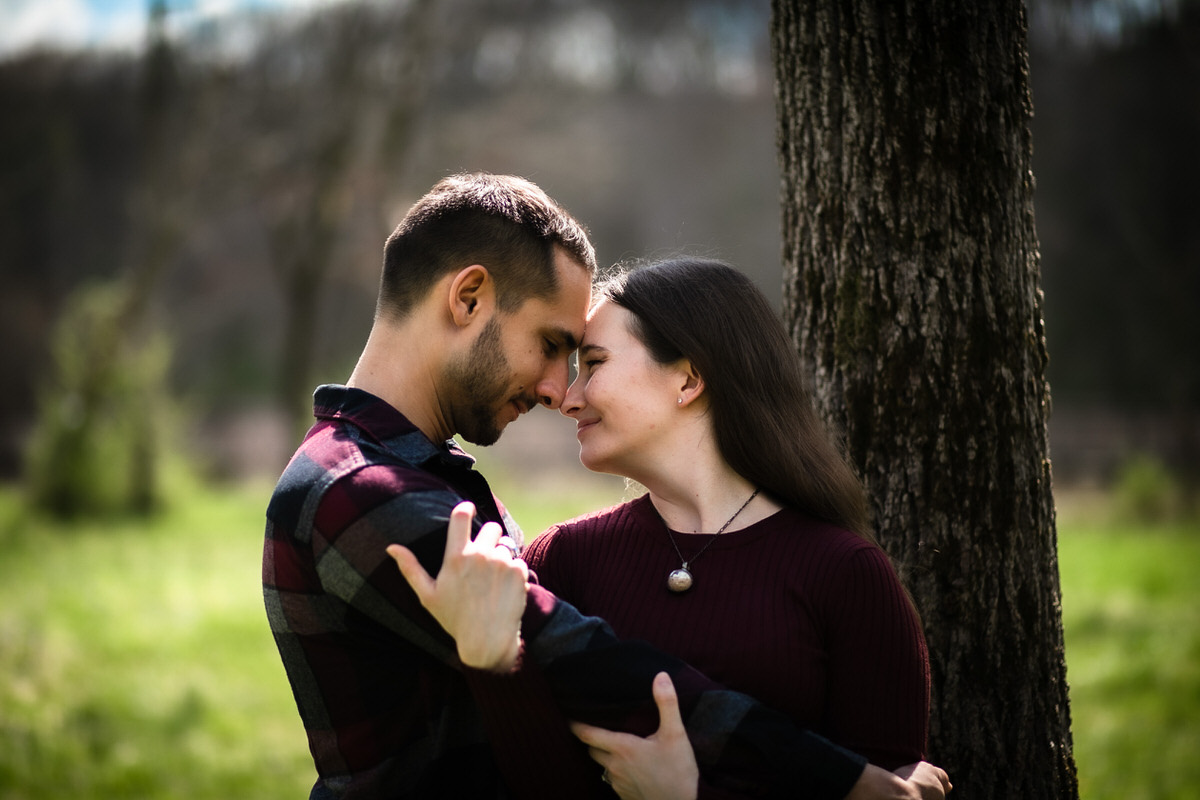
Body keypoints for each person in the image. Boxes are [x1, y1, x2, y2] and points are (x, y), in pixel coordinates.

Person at [264, 172, 949, 799]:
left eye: (588, 358)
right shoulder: (357, 490)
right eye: (555, 345)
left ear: (690, 378)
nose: (559, 389)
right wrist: (853, 787)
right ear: (468, 297)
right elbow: (587, 668)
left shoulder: (435, 481)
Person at [525, 258, 931, 797]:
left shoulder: (845, 575)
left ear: (690, 378)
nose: (568, 398)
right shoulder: (563, 561)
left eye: (593, 363)